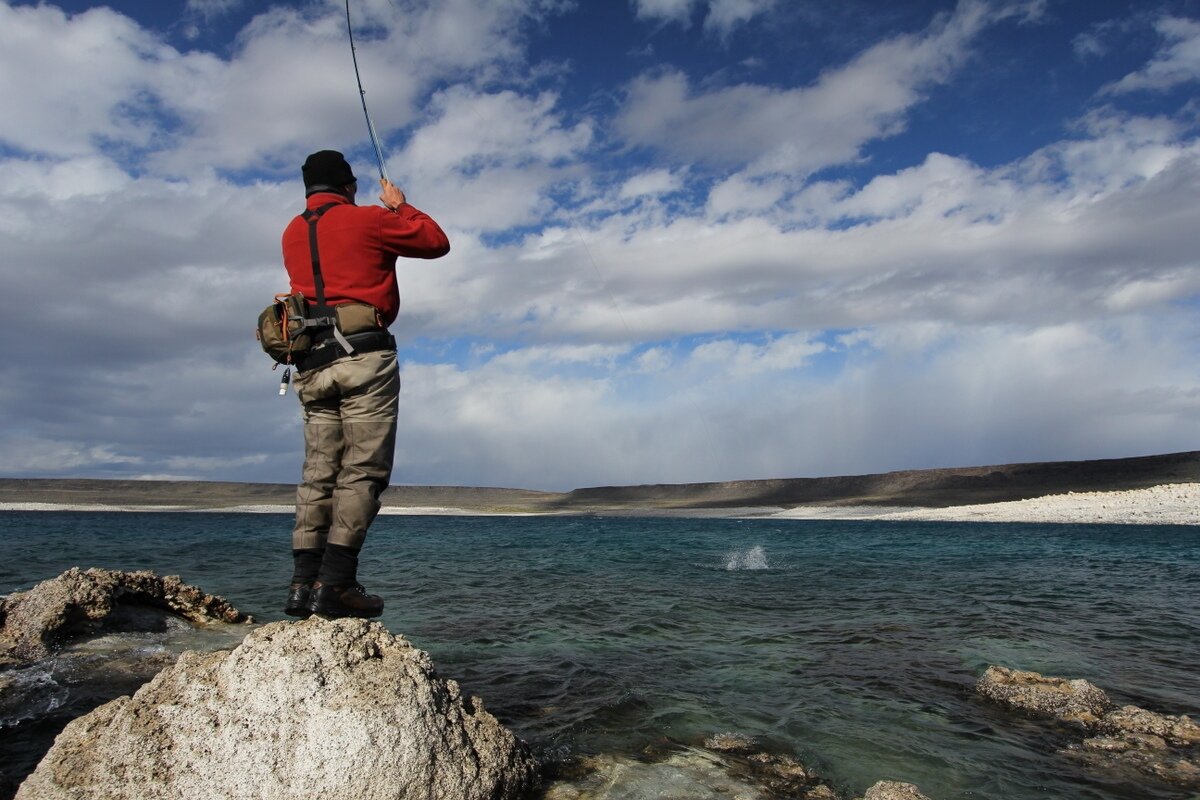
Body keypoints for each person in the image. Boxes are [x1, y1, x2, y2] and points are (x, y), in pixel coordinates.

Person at [281, 149, 449, 619]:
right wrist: (400, 205)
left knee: (318, 473)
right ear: (348, 186)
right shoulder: (369, 219)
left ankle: (302, 584)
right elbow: (435, 242)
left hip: (311, 362)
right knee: (363, 471)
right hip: (364, 357)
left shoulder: (292, 231)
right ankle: (335, 586)